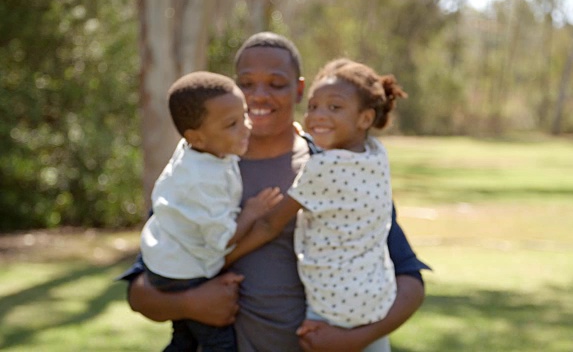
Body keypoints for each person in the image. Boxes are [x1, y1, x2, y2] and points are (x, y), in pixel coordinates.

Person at [121, 32, 429, 352]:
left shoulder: (338, 169)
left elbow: (409, 280)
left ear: (298, 89)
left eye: (276, 84)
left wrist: (352, 340)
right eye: (246, 83)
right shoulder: (196, 171)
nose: (259, 95)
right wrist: (189, 304)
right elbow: (140, 291)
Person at [246, 57, 409, 352]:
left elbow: (271, 224)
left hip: (331, 310)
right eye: (313, 107)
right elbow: (340, 156)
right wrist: (311, 138)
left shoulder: (323, 168)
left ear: (365, 118)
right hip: (375, 302)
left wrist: (220, 260)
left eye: (334, 108)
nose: (318, 115)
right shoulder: (375, 153)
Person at [139, 71, 283, 351]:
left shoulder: (201, 150)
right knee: (218, 341)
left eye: (244, 115)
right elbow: (223, 239)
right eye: (232, 124)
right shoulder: (203, 181)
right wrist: (252, 212)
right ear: (198, 137)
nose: (247, 127)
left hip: (165, 261)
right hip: (180, 271)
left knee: (185, 339)